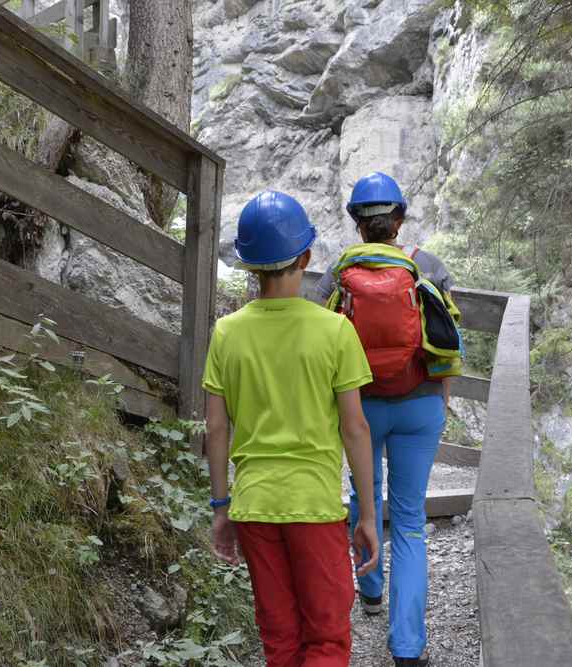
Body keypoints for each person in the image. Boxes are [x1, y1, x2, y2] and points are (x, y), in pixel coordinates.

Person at [203, 190, 381, 667]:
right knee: (326, 638)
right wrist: (366, 515)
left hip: (255, 505)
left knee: (279, 638)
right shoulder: (335, 331)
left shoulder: (227, 333)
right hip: (313, 505)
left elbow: (216, 429)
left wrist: (221, 507)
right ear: (305, 256)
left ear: (248, 265)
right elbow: (356, 428)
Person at [316, 172, 461, 667]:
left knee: (362, 496)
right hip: (419, 405)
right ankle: (406, 648)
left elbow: (319, 335)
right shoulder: (428, 265)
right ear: (399, 219)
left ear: (358, 223)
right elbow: (447, 337)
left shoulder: (338, 271)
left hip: (360, 406)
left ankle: (370, 589)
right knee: (411, 523)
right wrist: (440, 399)